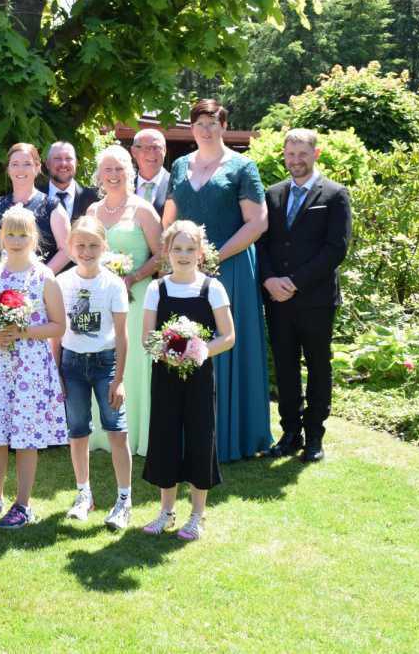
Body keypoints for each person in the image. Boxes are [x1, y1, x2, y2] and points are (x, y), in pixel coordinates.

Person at [163, 99, 272, 461]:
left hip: (232, 269)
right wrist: (174, 258)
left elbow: (257, 222)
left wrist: (214, 257)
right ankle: (187, 433)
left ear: (224, 126)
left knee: (224, 345)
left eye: (213, 122)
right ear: (191, 128)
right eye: (199, 123)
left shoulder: (243, 166)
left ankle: (232, 436)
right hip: (184, 270)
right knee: (185, 342)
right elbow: (170, 219)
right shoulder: (179, 165)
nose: (206, 129)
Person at [256, 129, 352, 463]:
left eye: (302, 154)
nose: (296, 161)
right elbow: (263, 243)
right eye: (290, 154)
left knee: (317, 366)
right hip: (277, 300)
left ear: (316, 154)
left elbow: (335, 249)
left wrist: (293, 282)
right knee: (284, 368)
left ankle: (314, 437)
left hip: (314, 299)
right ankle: (290, 433)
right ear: (284, 155)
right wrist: (268, 279)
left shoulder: (335, 194)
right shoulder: (273, 194)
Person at [141, 221, 235, 542]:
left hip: (199, 376)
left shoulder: (212, 288)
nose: (183, 255)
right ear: (167, 252)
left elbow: (229, 336)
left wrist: (199, 350)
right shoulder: (157, 289)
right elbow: (147, 338)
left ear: (201, 252)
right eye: (177, 248)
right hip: (165, 375)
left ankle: (197, 515)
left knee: (199, 438)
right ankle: (166, 511)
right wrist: (168, 353)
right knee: (165, 437)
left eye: (190, 248)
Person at [0, 206, 67, 529]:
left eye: (22, 234)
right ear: (0, 237)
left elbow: (59, 326)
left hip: (31, 368)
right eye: (9, 233)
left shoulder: (43, 277)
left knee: (26, 436)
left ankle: (23, 503)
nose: (15, 240)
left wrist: (23, 331)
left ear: (34, 237)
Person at [52, 216, 132, 529]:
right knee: (78, 431)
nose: (87, 251)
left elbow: (123, 335)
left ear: (104, 247)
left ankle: (124, 500)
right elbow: (56, 334)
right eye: (81, 245)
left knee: (116, 430)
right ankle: (84, 495)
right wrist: (56, 371)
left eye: (94, 245)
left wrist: (119, 379)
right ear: (71, 247)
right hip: (71, 365)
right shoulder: (62, 283)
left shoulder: (113, 284)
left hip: (105, 364)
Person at [83, 145, 162, 457]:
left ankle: (137, 432)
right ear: (99, 175)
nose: (113, 175)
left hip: (136, 296)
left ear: (129, 172)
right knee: (101, 358)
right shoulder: (92, 212)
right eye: (108, 169)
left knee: (133, 363)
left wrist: (133, 276)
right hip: (101, 300)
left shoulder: (142, 209)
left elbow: (162, 254)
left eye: (119, 169)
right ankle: (103, 434)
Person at [0, 143, 70, 271]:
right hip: (2, 287)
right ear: (8, 169)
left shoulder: (52, 207)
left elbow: (66, 250)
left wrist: (39, 278)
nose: (20, 169)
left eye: (27, 164)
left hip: (41, 287)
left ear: (37, 167)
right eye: (15, 164)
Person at [39, 141, 99, 224]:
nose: (63, 163)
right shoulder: (36, 197)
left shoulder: (94, 199)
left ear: (76, 163)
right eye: (57, 158)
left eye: (68, 159)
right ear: (47, 164)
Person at [131, 128, 170, 217]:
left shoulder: (176, 185)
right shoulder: (125, 187)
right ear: (133, 151)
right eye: (146, 148)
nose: (152, 153)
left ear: (165, 150)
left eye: (156, 148)